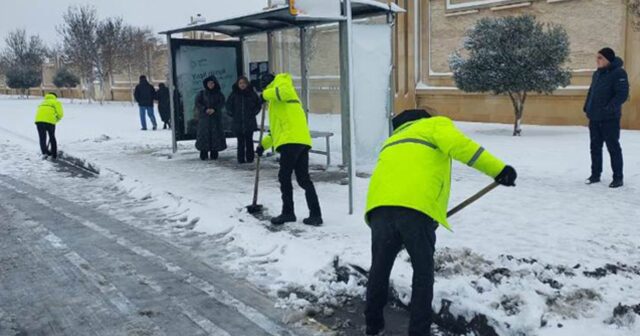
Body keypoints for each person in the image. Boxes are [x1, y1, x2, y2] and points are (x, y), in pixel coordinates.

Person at [364, 109, 517, 336]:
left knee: (379, 269)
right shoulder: (434, 126)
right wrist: (499, 170)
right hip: (416, 210)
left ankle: (373, 327)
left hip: (379, 210)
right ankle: (419, 332)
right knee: (423, 274)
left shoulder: (392, 141)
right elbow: (464, 148)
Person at [256, 73, 323, 226]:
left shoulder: (283, 84)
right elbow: (276, 131)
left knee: (284, 177)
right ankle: (315, 215)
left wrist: (264, 95)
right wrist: (262, 146)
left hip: (291, 141)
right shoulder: (277, 101)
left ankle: (288, 213)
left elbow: (283, 92)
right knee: (303, 179)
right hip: (299, 140)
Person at [583, 47, 629, 188]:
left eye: (600, 58)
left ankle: (618, 178)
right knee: (595, 147)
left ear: (608, 59)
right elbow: (592, 91)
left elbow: (622, 94)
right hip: (595, 117)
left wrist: (609, 108)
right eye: (597, 57)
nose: (597, 60)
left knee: (613, 148)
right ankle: (595, 175)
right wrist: (587, 106)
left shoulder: (619, 73)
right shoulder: (597, 74)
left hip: (610, 118)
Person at [226, 76, 262, 164]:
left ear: (247, 84)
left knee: (249, 140)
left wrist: (253, 112)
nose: (242, 85)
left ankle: (250, 158)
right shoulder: (234, 94)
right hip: (238, 122)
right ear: (237, 84)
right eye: (240, 83)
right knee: (240, 141)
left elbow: (258, 104)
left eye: (244, 83)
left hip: (249, 121)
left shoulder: (252, 94)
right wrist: (232, 113)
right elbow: (228, 105)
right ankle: (240, 158)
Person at [195, 75, 227, 160]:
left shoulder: (219, 94)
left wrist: (215, 109)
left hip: (215, 119)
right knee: (203, 136)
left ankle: (214, 152)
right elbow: (197, 103)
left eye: (212, 83)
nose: (210, 85)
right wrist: (205, 109)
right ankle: (203, 153)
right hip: (204, 119)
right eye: (209, 83)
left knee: (215, 135)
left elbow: (222, 103)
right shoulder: (201, 93)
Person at [34, 92, 64, 160]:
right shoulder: (56, 102)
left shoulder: (42, 102)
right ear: (55, 97)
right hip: (50, 121)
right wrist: (55, 120)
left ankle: (45, 153)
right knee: (52, 137)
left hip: (39, 121)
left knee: (42, 138)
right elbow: (60, 114)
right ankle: (54, 154)